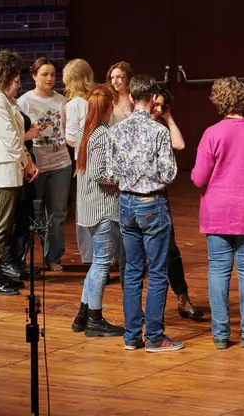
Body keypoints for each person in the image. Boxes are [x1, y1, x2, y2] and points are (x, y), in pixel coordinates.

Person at [191, 76, 244, 348]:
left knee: (218, 270)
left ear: (218, 101)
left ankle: (220, 334)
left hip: (217, 211)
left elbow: (198, 178)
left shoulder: (211, 133)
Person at [107, 74, 183, 352]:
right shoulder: (159, 131)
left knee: (132, 271)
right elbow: (169, 174)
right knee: (158, 272)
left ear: (130, 97)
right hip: (151, 203)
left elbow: (110, 173)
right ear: (153, 99)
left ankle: (131, 336)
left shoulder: (116, 130)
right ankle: (154, 337)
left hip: (126, 203)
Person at [0, 50, 37, 295]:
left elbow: (15, 134)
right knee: (0, 224)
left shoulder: (3, 98)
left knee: (6, 223)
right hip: (2, 170)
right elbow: (11, 138)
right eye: (15, 78)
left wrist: (25, 161)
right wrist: (27, 163)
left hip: (9, 168)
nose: (18, 83)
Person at [72, 85, 124, 337]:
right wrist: (123, 179)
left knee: (97, 263)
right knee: (102, 263)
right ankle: (95, 319)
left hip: (88, 205)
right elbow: (99, 173)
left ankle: (83, 315)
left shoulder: (85, 131)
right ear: (108, 107)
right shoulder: (103, 135)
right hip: (102, 206)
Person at [151, 90, 204, 322]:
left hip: (158, 197)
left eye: (161, 106)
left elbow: (180, 144)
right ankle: (135, 311)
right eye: (155, 104)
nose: (156, 110)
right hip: (133, 198)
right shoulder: (133, 125)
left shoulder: (161, 128)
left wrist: (168, 117)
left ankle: (183, 297)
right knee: (132, 258)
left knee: (171, 251)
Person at [17, 57, 71, 271]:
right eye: (44, 74)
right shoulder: (24, 102)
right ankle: (23, 259)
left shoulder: (61, 100)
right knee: (33, 214)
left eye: (52, 74)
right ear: (34, 76)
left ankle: (53, 257)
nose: (49, 78)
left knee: (57, 214)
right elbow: (19, 135)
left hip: (61, 163)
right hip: (36, 164)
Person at [63, 58, 97, 263]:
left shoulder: (74, 105)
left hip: (84, 162)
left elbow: (71, 139)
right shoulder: (98, 99)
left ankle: (89, 256)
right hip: (101, 160)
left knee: (85, 210)